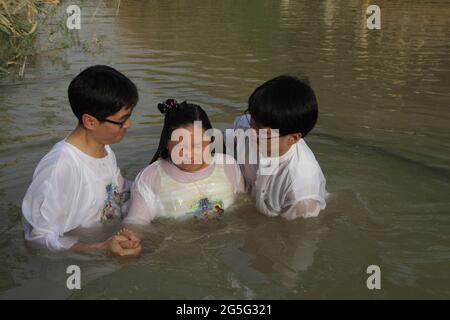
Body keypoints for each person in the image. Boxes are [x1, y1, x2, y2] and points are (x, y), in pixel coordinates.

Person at [22, 65, 141, 256]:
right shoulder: (61, 166)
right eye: (121, 120)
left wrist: (155, 184)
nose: (128, 124)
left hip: (105, 237)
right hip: (78, 261)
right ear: (90, 121)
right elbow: (38, 238)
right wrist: (101, 248)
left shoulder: (105, 149)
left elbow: (117, 190)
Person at [125, 99, 244, 225]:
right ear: (166, 143)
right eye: (181, 147)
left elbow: (243, 204)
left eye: (198, 145)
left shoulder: (227, 165)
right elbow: (136, 222)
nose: (190, 153)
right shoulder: (150, 177)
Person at [230, 75, 328, 219]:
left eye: (262, 131)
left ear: (293, 138)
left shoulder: (301, 192)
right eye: (253, 121)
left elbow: (289, 236)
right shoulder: (246, 125)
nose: (250, 133)